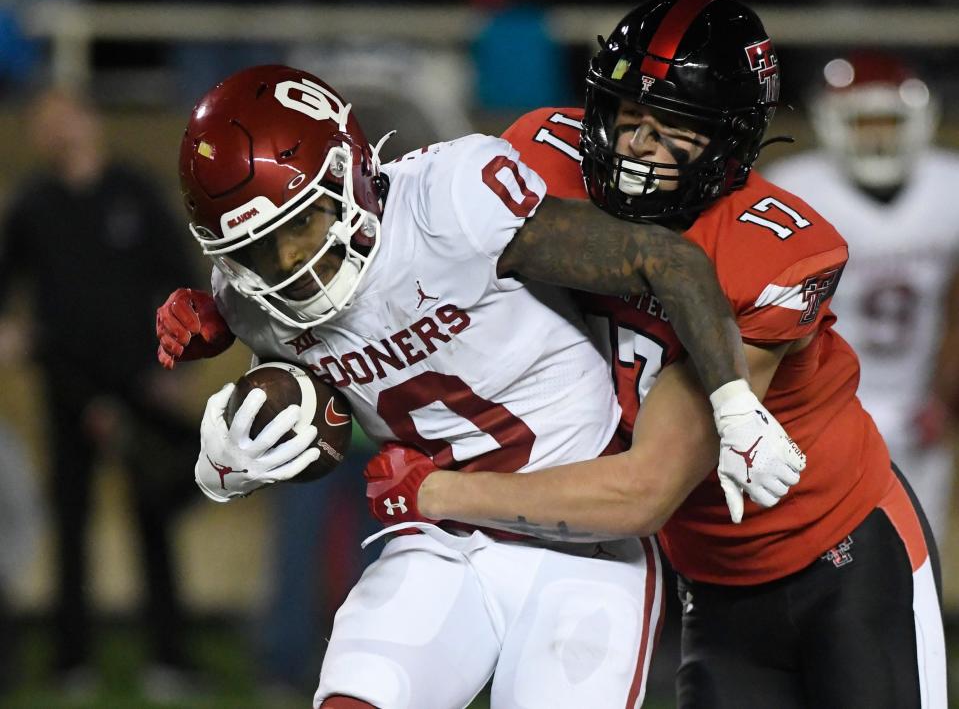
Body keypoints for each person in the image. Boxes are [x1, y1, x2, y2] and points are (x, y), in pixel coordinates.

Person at [360, 0, 948, 708]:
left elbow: (648, 485)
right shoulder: (534, 156)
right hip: (711, 575)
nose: (637, 143)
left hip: (846, 556)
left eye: (674, 125)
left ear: (730, 139)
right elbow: (396, 223)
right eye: (626, 114)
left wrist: (435, 491)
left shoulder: (767, 248)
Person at [159, 62, 803, 707]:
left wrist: (736, 407)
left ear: (348, 168)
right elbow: (315, 414)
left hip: (584, 544)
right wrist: (232, 462)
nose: (289, 265)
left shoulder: (452, 201)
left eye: (299, 226)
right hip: (437, 543)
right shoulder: (249, 299)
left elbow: (665, 260)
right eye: (256, 251)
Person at [0, 88, 204, 697]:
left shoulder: (134, 193)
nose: (54, 131)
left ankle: (169, 658)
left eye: (63, 117)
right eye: (43, 122)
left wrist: (177, 364)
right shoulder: (34, 204)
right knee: (71, 518)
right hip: (68, 386)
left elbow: (180, 279)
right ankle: (71, 661)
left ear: (89, 120)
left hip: (139, 383)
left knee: (154, 519)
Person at [763, 51, 959, 546]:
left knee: (918, 555)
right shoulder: (796, 190)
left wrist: (946, 391)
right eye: (862, 121)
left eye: (888, 121)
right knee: (825, 558)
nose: (875, 135)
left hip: (919, 409)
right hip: (824, 407)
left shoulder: (948, 184)